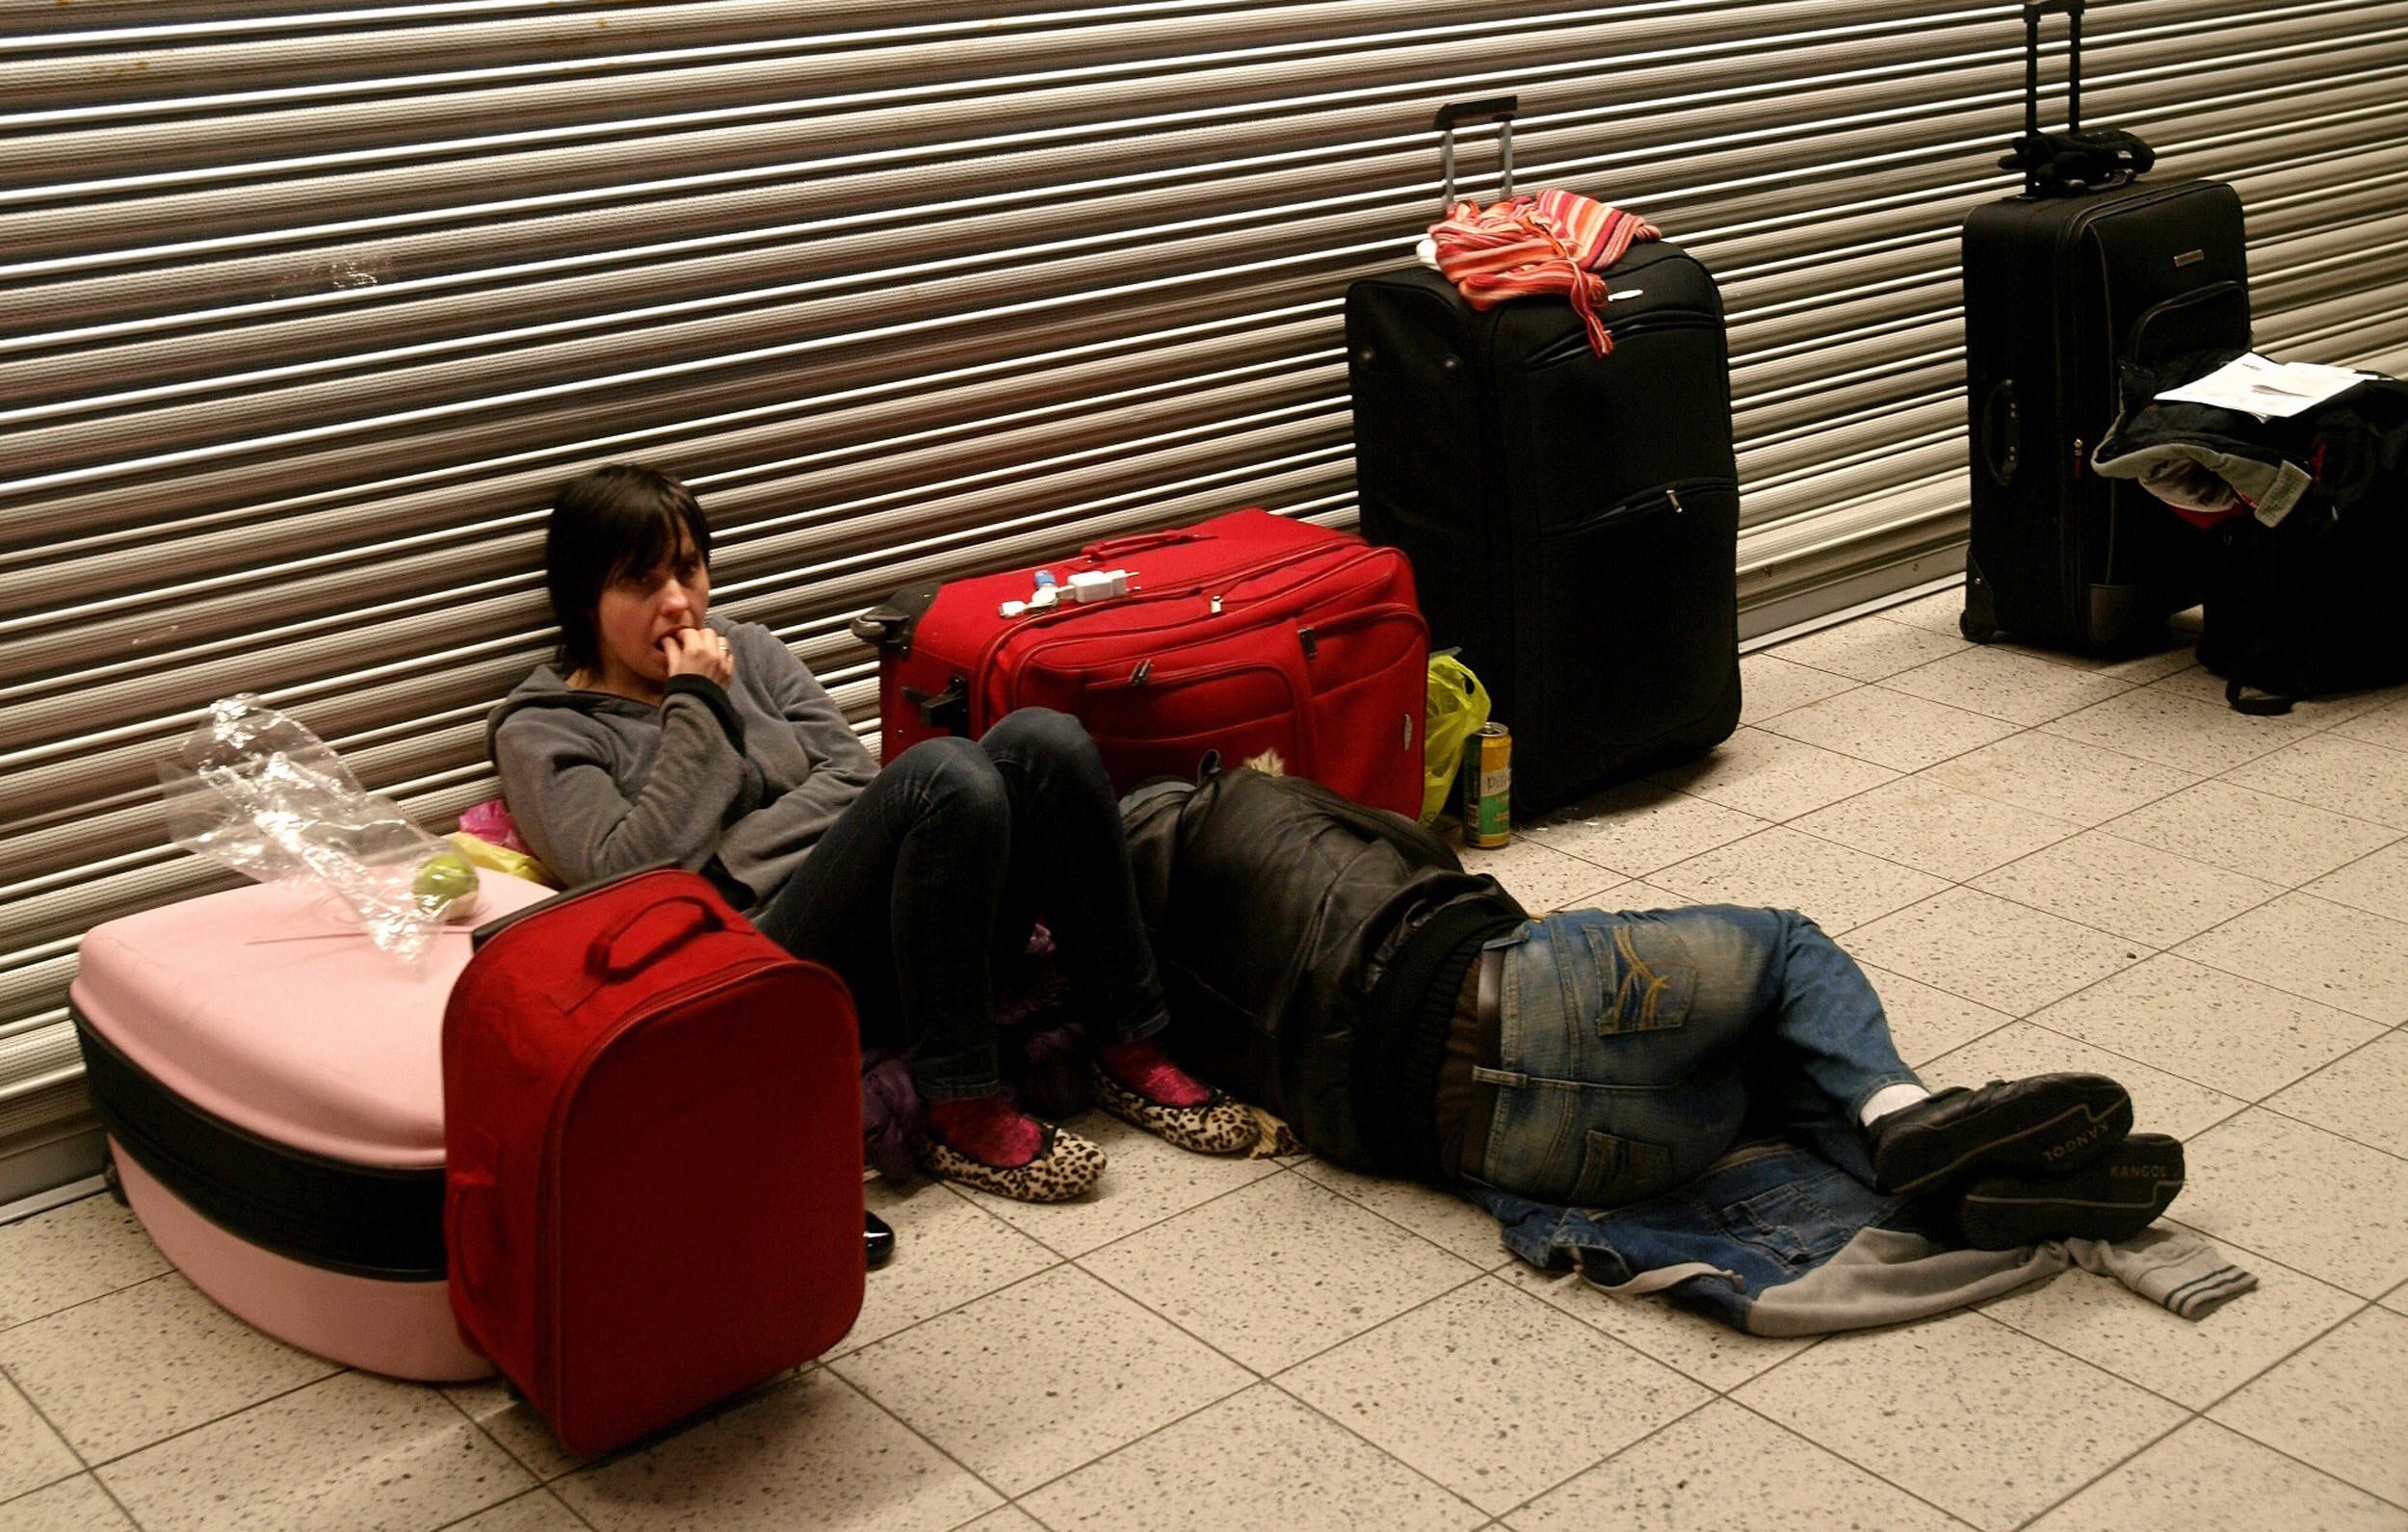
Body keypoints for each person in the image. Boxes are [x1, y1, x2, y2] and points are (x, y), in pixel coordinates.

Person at [490, 464, 1257, 1206]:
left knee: (1044, 742)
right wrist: (695, 706)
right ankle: (958, 1101)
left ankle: (1130, 1042)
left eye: (688, 571)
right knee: (946, 773)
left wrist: (725, 860)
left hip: (913, 930)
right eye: (640, 583)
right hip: (757, 963)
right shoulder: (545, 730)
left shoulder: (748, 651)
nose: (678, 604)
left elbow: (856, 779)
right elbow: (627, 874)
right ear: (584, 600)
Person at [1119, 766, 2184, 1249]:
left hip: (1528, 1153)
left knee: (1758, 1066)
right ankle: (1902, 1116)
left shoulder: (1147, 1012)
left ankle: (1958, 1188)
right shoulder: (1236, 804)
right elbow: (1428, 854)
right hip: (1503, 993)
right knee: (1784, 950)